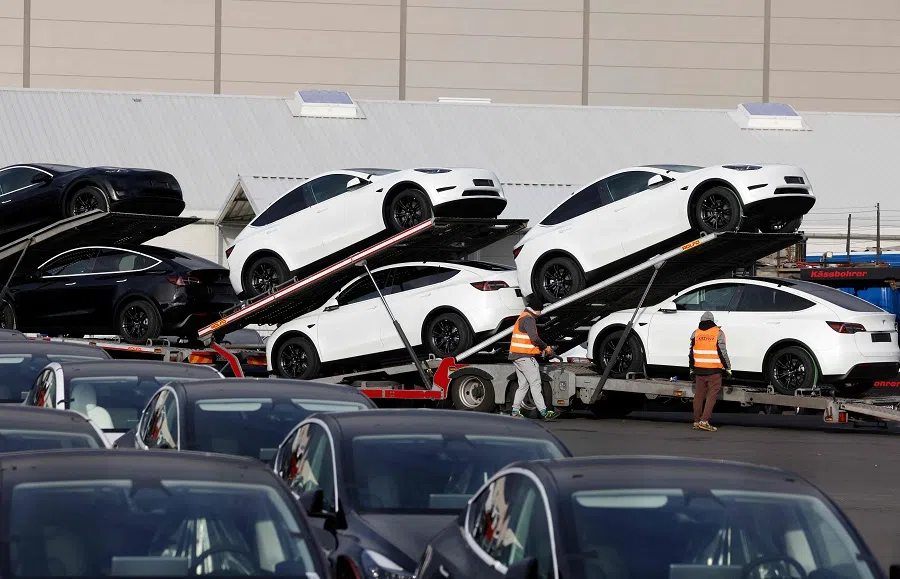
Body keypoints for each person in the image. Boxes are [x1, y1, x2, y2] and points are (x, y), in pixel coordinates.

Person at [509, 294, 557, 420]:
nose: (540, 313)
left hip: (516, 356)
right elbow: (534, 338)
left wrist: (536, 350)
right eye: (540, 310)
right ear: (537, 309)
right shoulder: (529, 319)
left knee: (523, 385)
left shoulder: (523, 316)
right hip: (524, 357)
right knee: (535, 384)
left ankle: (514, 411)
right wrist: (545, 347)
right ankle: (544, 412)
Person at [689, 311, 732, 432]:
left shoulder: (695, 333)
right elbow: (722, 352)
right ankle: (704, 421)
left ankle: (697, 421)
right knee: (711, 396)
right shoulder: (718, 333)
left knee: (698, 395)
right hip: (714, 370)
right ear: (713, 321)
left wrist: (691, 369)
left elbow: (691, 354)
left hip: (699, 370)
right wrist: (728, 368)